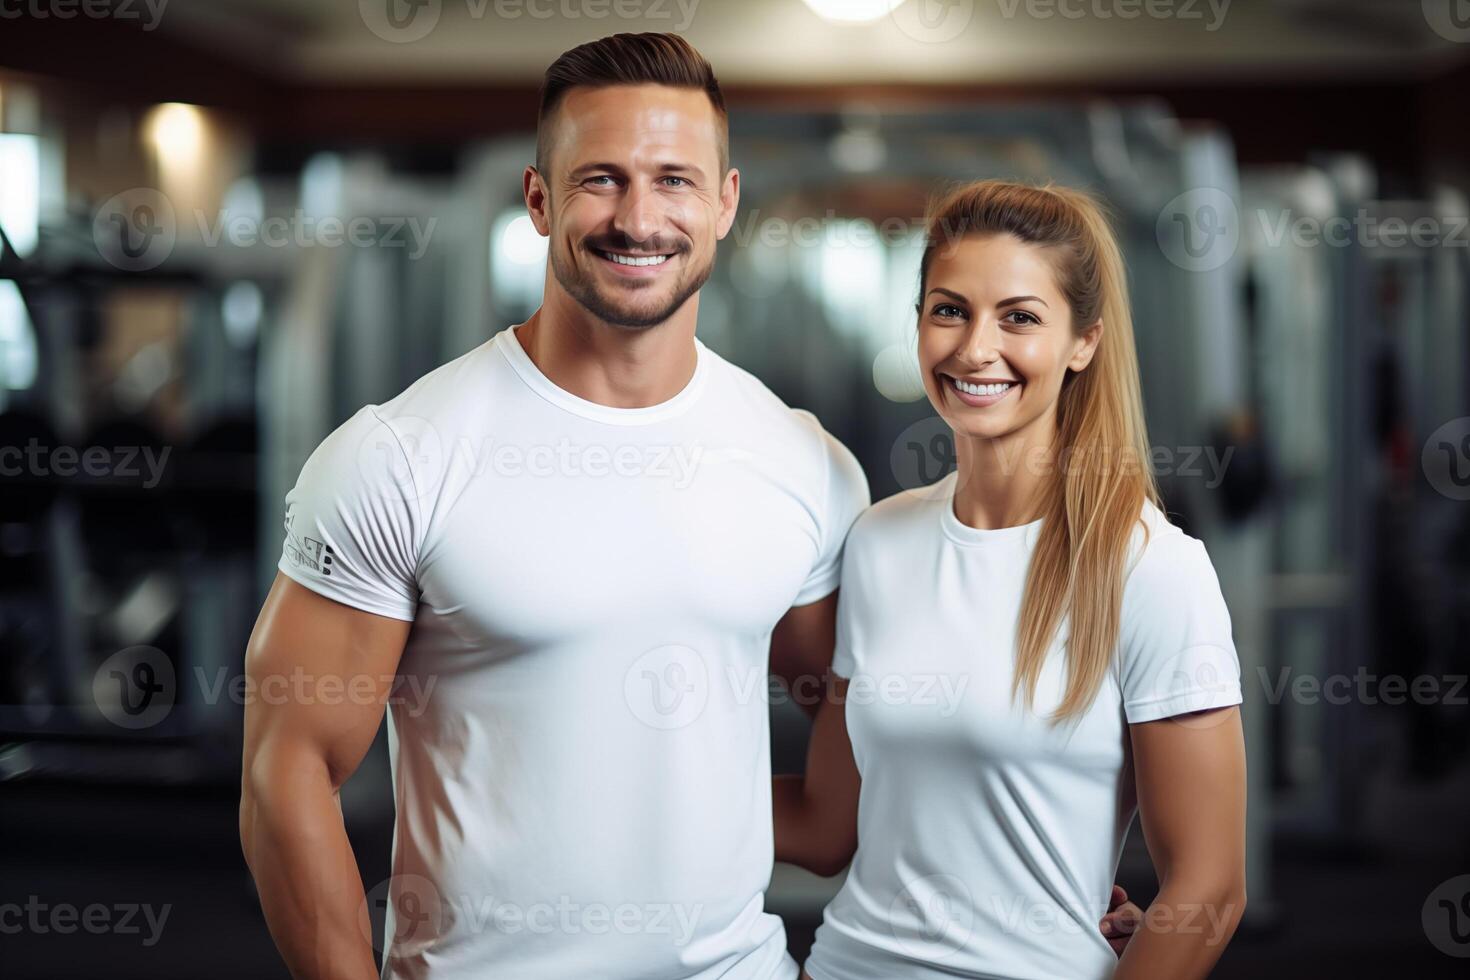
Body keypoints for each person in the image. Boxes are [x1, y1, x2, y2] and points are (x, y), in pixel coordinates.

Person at [239, 34, 1139, 980]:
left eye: (674, 180)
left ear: (724, 203)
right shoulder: (400, 457)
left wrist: (1049, 899)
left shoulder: (803, 464)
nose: (640, 218)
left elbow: (870, 764)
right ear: (539, 200)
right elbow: (286, 771)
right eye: (601, 179)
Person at [780, 180, 1248, 980]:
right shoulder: (879, 542)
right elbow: (828, 827)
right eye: (949, 309)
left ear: (1083, 342)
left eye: (1019, 317)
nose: (974, 348)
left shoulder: (1152, 570)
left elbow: (1210, 887)